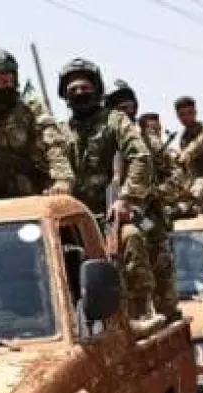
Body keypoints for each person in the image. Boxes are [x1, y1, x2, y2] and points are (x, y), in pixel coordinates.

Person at [57, 59, 156, 320]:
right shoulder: (60, 131)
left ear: (97, 89)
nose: (79, 93)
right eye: (73, 89)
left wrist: (127, 198)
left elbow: (140, 156)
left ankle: (139, 313)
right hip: (73, 219)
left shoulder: (115, 121)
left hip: (113, 211)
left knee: (132, 237)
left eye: (85, 87)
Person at [0, 48, 72, 203]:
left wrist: (62, 182)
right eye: (3, 81)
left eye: (12, 81)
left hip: (30, 196)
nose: (9, 85)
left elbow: (54, 147)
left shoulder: (32, 110)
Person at [106, 80, 180, 320]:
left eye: (129, 105)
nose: (126, 111)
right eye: (119, 107)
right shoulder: (106, 137)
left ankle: (165, 310)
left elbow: (175, 175)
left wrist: (153, 192)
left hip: (146, 215)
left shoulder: (148, 139)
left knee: (158, 252)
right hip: (114, 211)